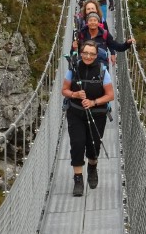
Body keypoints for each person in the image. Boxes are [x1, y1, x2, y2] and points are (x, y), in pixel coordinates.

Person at [62, 40, 115, 196]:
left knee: (93, 147)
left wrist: (93, 102)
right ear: (81, 53)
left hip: (97, 115)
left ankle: (92, 166)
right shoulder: (73, 69)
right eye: (85, 53)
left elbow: (110, 95)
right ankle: (78, 179)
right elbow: (64, 90)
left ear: (97, 55)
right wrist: (75, 94)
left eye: (92, 53)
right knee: (77, 144)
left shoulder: (102, 70)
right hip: (76, 112)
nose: (88, 56)